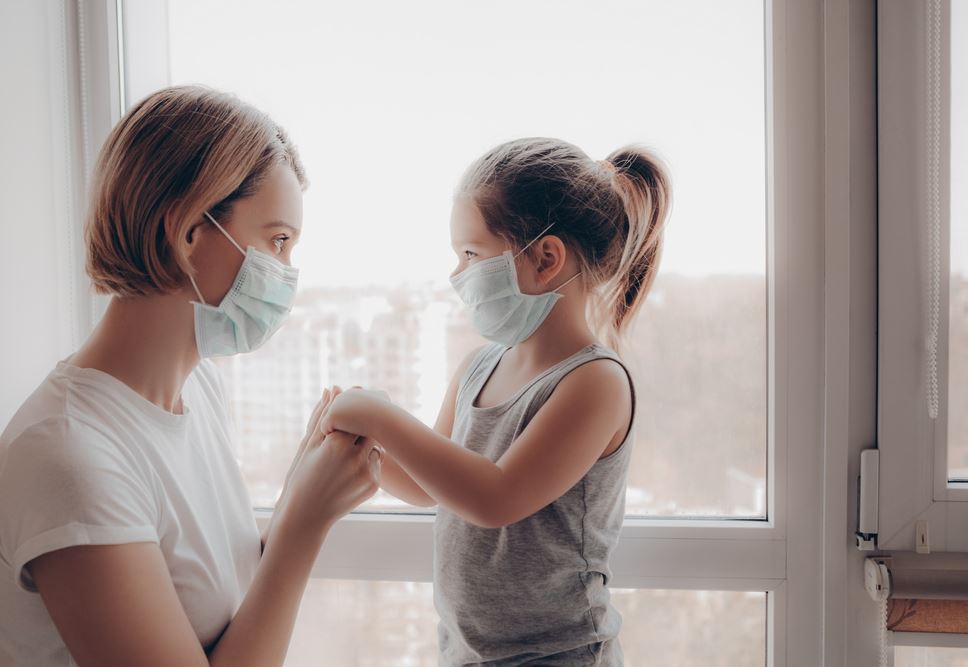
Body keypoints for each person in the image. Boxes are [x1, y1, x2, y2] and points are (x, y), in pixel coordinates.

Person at [0, 85, 381, 667]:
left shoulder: (197, 392)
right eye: (277, 240)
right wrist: (303, 525)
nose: (286, 271)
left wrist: (299, 496)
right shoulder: (68, 455)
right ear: (186, 232)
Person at [320, 137, 671, 665]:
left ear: (546, 258)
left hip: (561, 656)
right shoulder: (478, 367)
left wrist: (381, 415)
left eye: (471, 254)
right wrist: (363, 442)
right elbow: (427, 484)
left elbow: (495, 498)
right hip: (467, 654)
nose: (457, 275)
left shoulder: (595, 382)